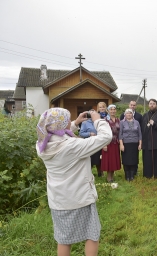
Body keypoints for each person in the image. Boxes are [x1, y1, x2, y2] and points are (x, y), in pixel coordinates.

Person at [36, 108, 112, 256]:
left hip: (59, 201)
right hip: (80, 198)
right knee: (91, 235)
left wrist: (75, 123)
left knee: (64, 240)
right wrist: (97, 119)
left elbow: (55, 133)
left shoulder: (41, 146)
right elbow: (105, 137)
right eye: (66, 121)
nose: (68, 124)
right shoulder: (73, 146)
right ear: (61, 125)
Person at [141, 99, 157, 178]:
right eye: (150, 104)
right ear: (148, 105)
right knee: (147, 159)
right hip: (147, 141)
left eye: (153, 104)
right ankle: (148, 174)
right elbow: (142, 128)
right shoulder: (145, 115)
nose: (152, 105)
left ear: (156, 105)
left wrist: (155, 124)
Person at [119, 108, 142, 181]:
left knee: (133, 160)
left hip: (135, 143)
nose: (129, 114)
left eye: (130, 113)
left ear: (132, 114)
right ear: (125, 115)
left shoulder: (137, 122)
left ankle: (132, 176)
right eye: (127, 113)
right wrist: (121, 144)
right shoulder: (122, 122)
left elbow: (140, 134)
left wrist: (140, 144)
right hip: (126, 143)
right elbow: (120, 134)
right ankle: (127, 175)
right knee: (126, 160)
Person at [79, 109, 103, 177]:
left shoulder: (99, 122)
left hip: (98, 143)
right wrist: (90, 134)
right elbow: (81, 133)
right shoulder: (85, 123)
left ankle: (100, 173)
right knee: (90, 159)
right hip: (89, 143)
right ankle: (89, 174)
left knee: (99, 158)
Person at [101, 104, 121, 182]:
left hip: (115, 143)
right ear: (108, 111)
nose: (113, 111)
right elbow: (102, 132)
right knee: (108, 160)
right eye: (111, 109)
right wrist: (104, 144)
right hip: (107, 143)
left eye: (114, 109)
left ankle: (112, 176)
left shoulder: (118, 120)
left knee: (114, 160)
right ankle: (109, 177)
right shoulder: (105, 120)